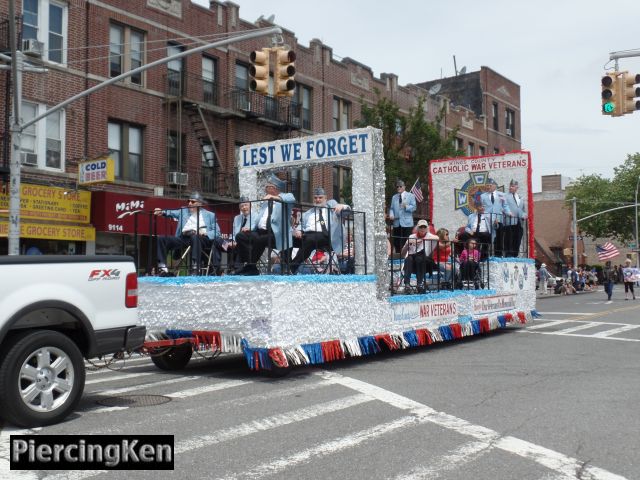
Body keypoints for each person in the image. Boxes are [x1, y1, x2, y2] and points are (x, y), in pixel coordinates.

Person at [234, 174, 295, 275]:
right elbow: (260, 218)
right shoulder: (265, 203)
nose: (265, 188)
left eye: (267, 187)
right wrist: (250, 228)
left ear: (274, 188)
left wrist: (275, 197)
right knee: (240, 236)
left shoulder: (284, 201)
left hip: (275, 234)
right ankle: (251, 265)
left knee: (260, 240)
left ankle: (250, 266)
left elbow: (291, 198)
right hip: (259, 231)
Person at [154, 191, 222, 276]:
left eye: (192, 201)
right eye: (188, 201)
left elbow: (217, 232)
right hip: (184, 238)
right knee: (162, 238)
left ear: (200, 203)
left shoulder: (210, 215)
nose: (189, 203)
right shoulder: (184, 211)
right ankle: (162, 267)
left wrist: (204, 232)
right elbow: (171, 212)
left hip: (200, 238)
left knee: (195, 237)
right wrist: (162, 212)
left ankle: (195, 267)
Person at [290, 187, 350, 274]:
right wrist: (298, 231)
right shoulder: (307, 214)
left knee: (310, 239)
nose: (317, 200)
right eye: (315, 198)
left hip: (329, 238)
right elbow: (300, 226)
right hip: (307, 238)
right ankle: (285, 265)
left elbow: (347, 212)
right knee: (286, 239)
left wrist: (343, 206)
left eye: (320, 197)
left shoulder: (331, 209)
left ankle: (291, 267)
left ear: (325, 198)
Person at [400, 219, 438, 294]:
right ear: (418, 228)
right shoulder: (411, 236)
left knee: (419, 258)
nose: (422, 229)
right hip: (413, 259)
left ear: (427, 228)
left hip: (425, 260)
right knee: (408, 259)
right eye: (421, 227)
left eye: (424, 227)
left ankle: (419, 284)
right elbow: (402, 254)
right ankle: (407, 284)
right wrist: (408, 243)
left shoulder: (429, 235)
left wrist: (421, 240)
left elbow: (437, 238)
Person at [480, 182, 512, 257]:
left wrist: (509, 212)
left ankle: (498, 255)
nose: (488, 187)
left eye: (490, 185)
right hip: (487, 219)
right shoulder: (482, 196)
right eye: (487, 185)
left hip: (498, 218)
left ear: (495, 186)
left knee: (499, 237)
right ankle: (485, 255)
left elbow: (505, 205)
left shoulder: (501, 194)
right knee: (487, 237)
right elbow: (481, 207)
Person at [389, 180, 416, 253]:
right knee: (396, 242)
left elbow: (414, 208)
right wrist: (391, 214)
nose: (398, 188)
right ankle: (398, 256)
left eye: (400, 186)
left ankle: (407, 257)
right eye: (397, 186)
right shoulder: (394, 197)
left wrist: (406, 206)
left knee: (406, 241)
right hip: (397, 223)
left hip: (407, 223)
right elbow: (391, 208)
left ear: (404, 187)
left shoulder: (410, 196)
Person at [226, 196, 252, 273]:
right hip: (236, 240)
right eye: (242, 206)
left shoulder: (255, 216)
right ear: (239, 208)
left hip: (248, 241)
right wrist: (232, 240)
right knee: (224, 245)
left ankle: (237, 268)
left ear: (250, 206)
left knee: (240, 243)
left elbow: (254, 229)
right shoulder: (237, 218)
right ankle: (223, 268)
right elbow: (233, 232)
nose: (244, 208)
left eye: (246, 205)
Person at [503, 179, 527, 257]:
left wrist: (524, 215)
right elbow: (503, 207)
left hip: (519, 221)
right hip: (509, 221)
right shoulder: (505, 196)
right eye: (510, 186)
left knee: (518, 238)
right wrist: (508, 213)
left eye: (513, 186)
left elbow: (522, 209)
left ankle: (515, 254)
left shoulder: (520, 197)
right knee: (509, 238)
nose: (511, 187)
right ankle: (508, 254)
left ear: (517, 187)